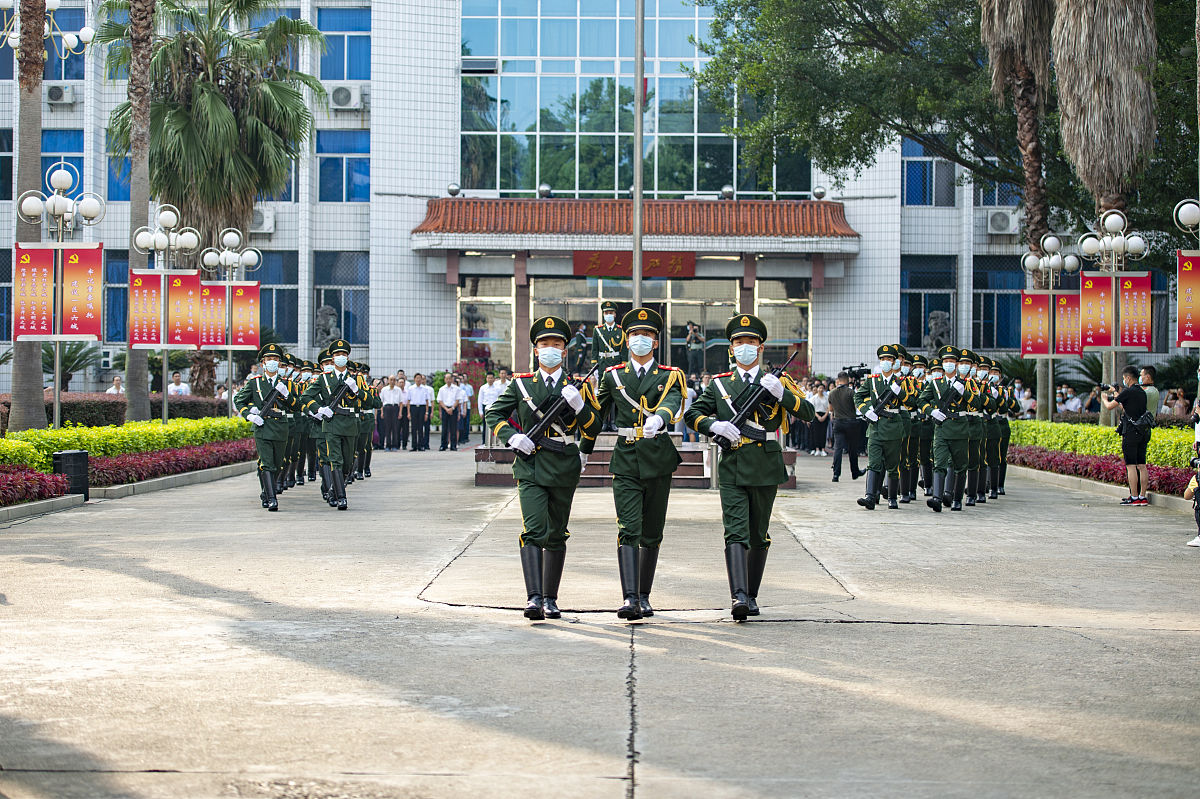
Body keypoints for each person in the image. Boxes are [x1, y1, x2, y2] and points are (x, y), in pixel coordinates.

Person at [686, 314, 812, 620]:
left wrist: (782, 394)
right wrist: (714, 425)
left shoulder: (777, 381)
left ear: (761, 347)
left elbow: (807, 412)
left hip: (765, 464)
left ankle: (752, 595)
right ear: (731, 349)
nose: (745, 347)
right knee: (735, 530)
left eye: (751, 341)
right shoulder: (719, 384)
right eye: (739, 342)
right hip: (732, 464)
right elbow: (693, 414)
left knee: (758, 533)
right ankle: (738, 596)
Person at [485, 316, 600, 621]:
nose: (550, 348)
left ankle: (551, 598)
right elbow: (494, 414)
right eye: (544, 344)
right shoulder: (521, 383)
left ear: (564, 350)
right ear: (536, 350)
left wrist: (580, 406)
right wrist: (513, 437)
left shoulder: (577, 387)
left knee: (557, 533)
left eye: (556, 344)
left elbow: (593, 427)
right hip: (531, 466)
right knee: (534, 530)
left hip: (563, 465)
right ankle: (534, 597)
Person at [580, 307, 684, 620]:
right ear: (627, 341)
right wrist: (584, 450)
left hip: (658, 457)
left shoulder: (669, 375)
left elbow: (672, 401)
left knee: (652, 531)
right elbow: (596, 417)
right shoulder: (613, 376)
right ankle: (629, 597)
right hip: (625, 457)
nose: (641, 339)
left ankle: (644, 596)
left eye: (647, 334)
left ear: (656, 342)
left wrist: (660, 418)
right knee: (628, 528)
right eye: (635, 334)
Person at [233, 343, 300, 512]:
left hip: (281, 426)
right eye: (269, 359)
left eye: (275, 359)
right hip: (262, 426)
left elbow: (296, 406)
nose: (272, 361)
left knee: (278, 463)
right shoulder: (255, 383)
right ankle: (272, 498)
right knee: (267, 463)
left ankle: (266, 492)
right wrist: (249, 415)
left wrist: (286, 395)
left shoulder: (286, 383)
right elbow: (239, 400)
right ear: (263, 363)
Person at [854, 345, 921, 510]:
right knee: (873, 463)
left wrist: (900, 393)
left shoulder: (901, 382)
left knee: (892, 465)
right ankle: (870, 496)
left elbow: (913, 402)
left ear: (894, 361)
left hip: (893, 426)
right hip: (876, 427)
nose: (885, 361)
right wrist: (866, 410)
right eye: (883, 359)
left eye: (889, 359)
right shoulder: (873, 380)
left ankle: (892, 497)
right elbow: (858, 396)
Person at [299, 339, 361, 511]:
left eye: (343, 354)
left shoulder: (355, 379)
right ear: (333, 358)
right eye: (337, 354)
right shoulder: (324, 378)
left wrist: (357, 391)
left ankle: (334, 489)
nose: (341, 357)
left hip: (349, 423)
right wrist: (319, 409)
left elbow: (370, 401)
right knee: (335, 460)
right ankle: (341, 497)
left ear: (348, 357)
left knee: (347, 463)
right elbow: (305, 397)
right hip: (331, 424)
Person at [919, 347, 981, 512]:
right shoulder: (936, 383)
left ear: (957, 364)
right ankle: (937, 498)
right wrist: (932, 411)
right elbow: (921, 400)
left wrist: (964, 393)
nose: (948, 364)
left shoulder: (968, 384)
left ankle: (957, 499)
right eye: (946, 361)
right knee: (939, 463)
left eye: (952, 361)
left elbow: (977, 404)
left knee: (960, 466)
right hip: (941, 428)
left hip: (960, 427)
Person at [1101, 366, 1151, 506]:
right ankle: (1142, 496)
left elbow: (1110, 406)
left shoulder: (1128, 392)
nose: (1124, 380)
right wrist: (1117, 393)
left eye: (1124, 378)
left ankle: (1134, 497)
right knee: (1142, 465)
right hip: (1143, 432)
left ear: (1128, 378)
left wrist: (1104, 399)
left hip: (1130, 433)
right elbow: (1126, 407)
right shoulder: (1142, 392)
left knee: (1131, 466)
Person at [591, 300, 627, 431]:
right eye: (606, 313)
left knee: (616, 394)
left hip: (616, 365)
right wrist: (595, 368)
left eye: (611, 312)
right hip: (602, 365)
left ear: (615, 314)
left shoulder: (621, 330)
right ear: (603, 314)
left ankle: (614, 422)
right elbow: (594, 350)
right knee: (603, 396)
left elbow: (624, 351)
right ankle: (603, 422)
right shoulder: (598, 330)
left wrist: (624, 366)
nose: (608, 315)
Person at [827, 371, 862, 482]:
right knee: (852, 449)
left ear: (838, 380)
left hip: (838, 422)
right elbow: (857, 406)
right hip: (851, 422)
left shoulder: (832, 393)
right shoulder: (851, 392)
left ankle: (836, 474)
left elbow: (831, 409)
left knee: (838, 448)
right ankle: (855, 472)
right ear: (847, 380)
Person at [477, 371, 503, 447]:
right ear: (486, 379)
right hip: (486, 408)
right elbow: (480, 400)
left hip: (495, 408)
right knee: (485, 426)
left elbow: (500, 399)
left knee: (496, 425)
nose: (490, 379)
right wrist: (480, 411)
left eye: (491, 378)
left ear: (494, 379)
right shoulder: (483, 388)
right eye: (488, 378)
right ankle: (484, 442)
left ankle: (496, 442)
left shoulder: (498, 388)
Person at [437, 371, 461, 451]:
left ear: (452, 379)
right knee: (444, 428)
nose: (448, 380)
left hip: (453, 409)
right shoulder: (441, 389)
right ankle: (443, 445)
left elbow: (458, 400)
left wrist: (452, 408)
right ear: (444, 379)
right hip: (445, 409)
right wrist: (446, 409)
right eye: (447, 379)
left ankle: (453, 445)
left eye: (450, 379)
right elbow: (440, 400)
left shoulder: (456, 389)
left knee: (453, 428)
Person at [380, 375, 404, 451]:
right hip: (387, 408)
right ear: (388, 381)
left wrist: (400, 412)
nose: (392, 381)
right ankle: (387, 445)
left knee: (395, 428)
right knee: (387, 428)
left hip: (395, 408)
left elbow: (401, 402)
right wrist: (382, 412)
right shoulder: (384, 390)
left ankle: (394, 445)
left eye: (394, 380)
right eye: (391, 380)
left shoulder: (398, 390)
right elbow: (381, 402)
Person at [409, 373, 431, 451]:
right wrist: (408, 412)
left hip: (422, 408)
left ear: (421, 379)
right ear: (414, 379)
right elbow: (408, 401)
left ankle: (421, 445)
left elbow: (427, 401)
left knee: (421, 427)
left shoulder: (425, 389)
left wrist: (426, 412)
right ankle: (414, 446)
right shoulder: (411, 388)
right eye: (417, 378)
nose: (418, 380)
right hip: (413, 407)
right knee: (414, 428)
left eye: (419, 378)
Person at [808, 382, 829, 456]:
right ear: (817, 389)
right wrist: (818, 417)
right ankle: (817, 449)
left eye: (822, 388)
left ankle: (823, 449)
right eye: (820, 388)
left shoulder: (826, 398)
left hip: (824, 415)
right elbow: (812, 409)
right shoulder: (814, 398)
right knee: (816, 433)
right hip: (816, 416)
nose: (821, 390)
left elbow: (828, 408)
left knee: (823, 433)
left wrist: (824, 416)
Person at [457, 372, 474, 444]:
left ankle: (465, 437)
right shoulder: (457, 387)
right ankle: (460, 438)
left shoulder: (467, 387)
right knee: (460, 423)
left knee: (465, 423)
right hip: (459, 407)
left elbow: (469, 396)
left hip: (466, 406)